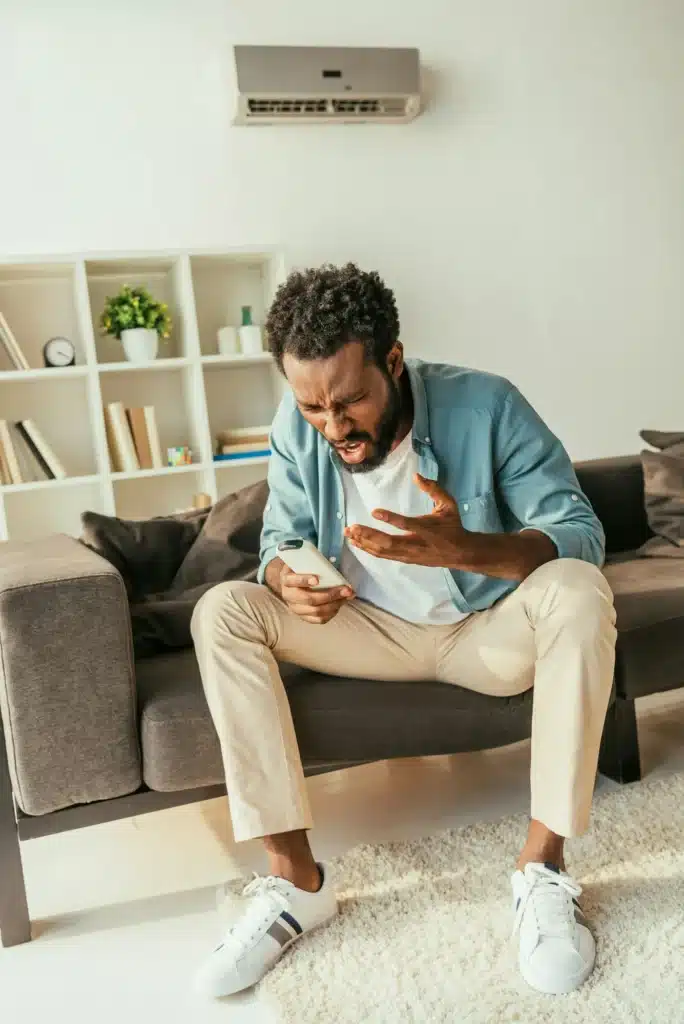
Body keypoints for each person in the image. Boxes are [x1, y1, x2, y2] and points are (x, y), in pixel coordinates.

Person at [191, 263, 617, 999]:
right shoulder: (298, 427)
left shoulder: (487, 404)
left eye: (350, 401)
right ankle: (296, 884)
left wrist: (468, 549)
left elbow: (580, 530)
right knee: (222, 610)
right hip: (368, 630)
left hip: (485, 630)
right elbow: (277, 542)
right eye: (314, 407)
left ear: (392, 360)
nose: (334, 426)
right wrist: (283, 580)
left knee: (579, 591)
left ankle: (542, 870)